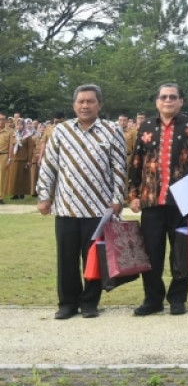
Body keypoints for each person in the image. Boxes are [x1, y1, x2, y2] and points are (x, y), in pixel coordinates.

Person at [36, 84, 127, 319]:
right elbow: (49, 166)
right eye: (81, 102)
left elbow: (119, 167)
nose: (85, 105)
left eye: (90, 101)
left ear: (100, 105)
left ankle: (90, 302)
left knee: (93, 259)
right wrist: (44, 196)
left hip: (99, 208)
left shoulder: (112, 130)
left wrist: (118, 199)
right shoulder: (61, 131)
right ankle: (67, 303)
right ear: (74, 105)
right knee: (66, 259)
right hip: (66, 206)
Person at [128, 83, 188, 317]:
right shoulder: (146, 127)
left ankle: (177, 299)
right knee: (151, 253)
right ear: (157, 101)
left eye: (173, 97)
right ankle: (152, 299)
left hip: (182, 201)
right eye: (164, 97)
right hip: (152, 200)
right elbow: (136, 162)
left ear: (181, 101)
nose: (168, 101)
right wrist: (133, 195)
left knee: (181, 252)